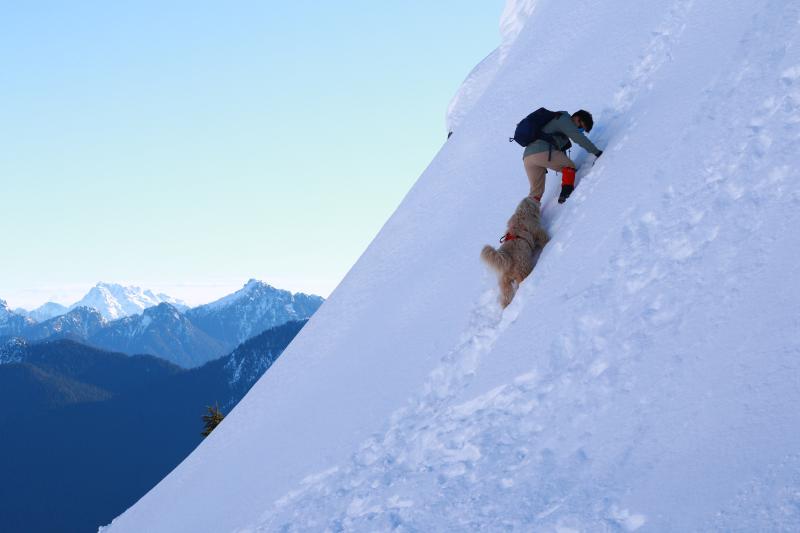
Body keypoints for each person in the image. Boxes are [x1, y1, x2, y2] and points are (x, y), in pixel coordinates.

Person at [523, 109, 603, 204]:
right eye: (581, 128)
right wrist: (597, 152)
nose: (579, 131)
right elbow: (579, 138)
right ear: (577, 118)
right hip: (541, 151)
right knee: (569, 166)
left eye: (582, 130)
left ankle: (527, 216)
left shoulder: (558, 120)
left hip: (527, 157)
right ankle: (565, 194)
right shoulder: (564, 120)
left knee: (536, 192)